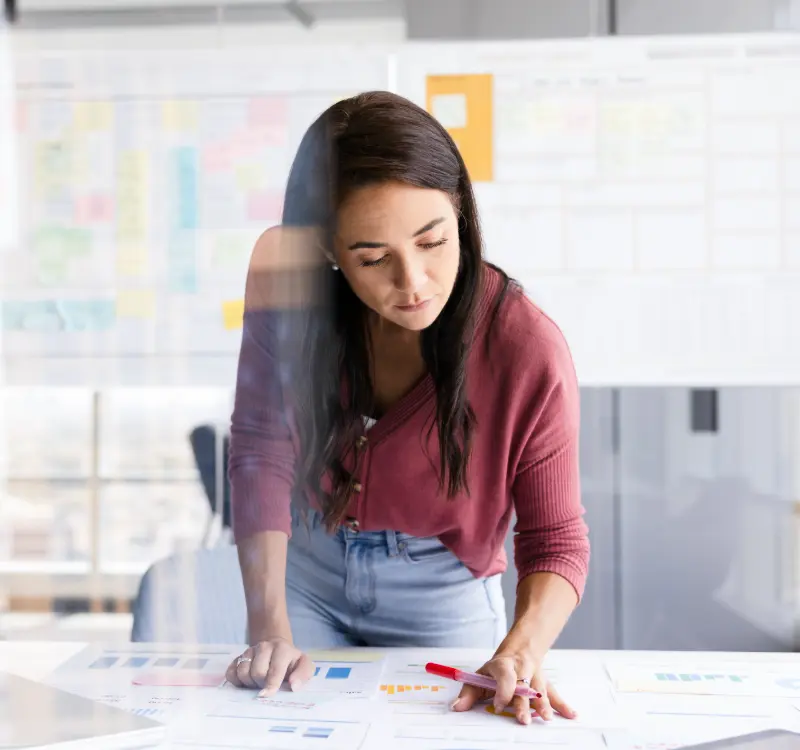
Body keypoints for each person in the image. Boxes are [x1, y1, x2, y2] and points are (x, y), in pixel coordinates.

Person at [224, 91, 590, 726]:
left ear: (462, 219)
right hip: (306, 565)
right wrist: (268, 623)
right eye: (373, 259)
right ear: (327, 252)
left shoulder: (525, 347)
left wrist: (522, 651)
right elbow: (260, 444)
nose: (415, 281)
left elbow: (556, 538)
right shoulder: (287, 273)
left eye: (433, 242)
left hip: (443, 587)